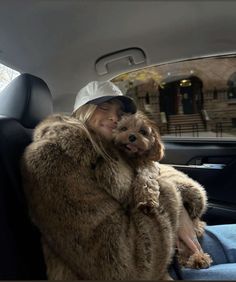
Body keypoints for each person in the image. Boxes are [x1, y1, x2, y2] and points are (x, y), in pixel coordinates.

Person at [21, 81, 236, 280]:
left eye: (120, 112)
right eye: (104, 107)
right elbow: (117, 265)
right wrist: (171, 206)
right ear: (81, 112)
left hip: (168, 245)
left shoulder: (114, 149)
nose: (114, 117)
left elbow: (155, 169)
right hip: (152, 269)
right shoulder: (56, 159)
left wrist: (180, 206)